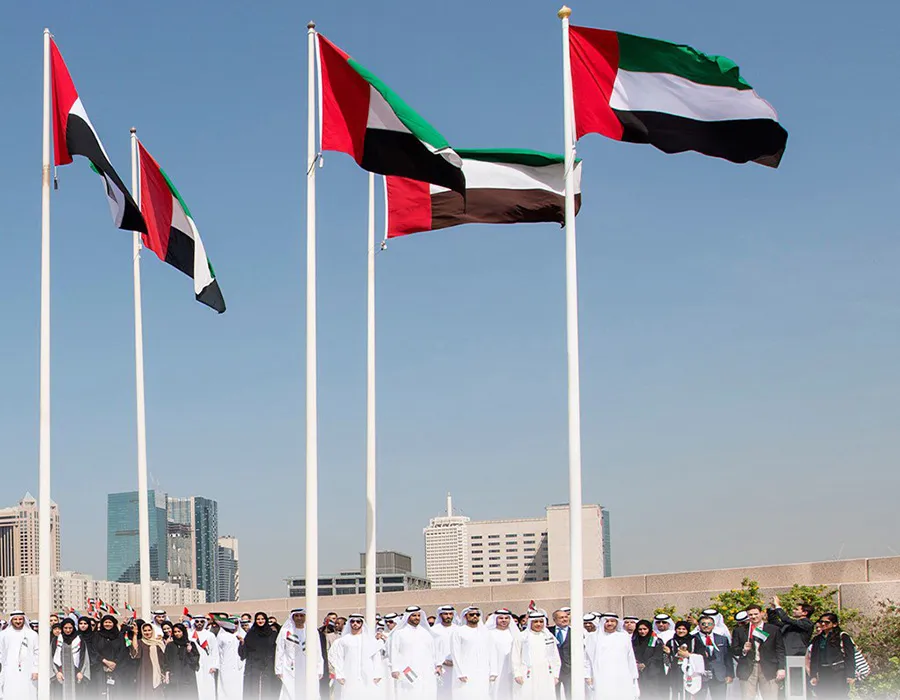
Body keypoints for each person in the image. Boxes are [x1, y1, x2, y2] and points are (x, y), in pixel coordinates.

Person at [730, 605, 785, 700]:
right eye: (750, 615)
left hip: (769, 667)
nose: (754, 617)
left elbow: (779, 650)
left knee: (770, 696)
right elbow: (734, 650)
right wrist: (743, 650)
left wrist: (781, 668)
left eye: (756, 614)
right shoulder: (739, 631)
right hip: (748, 667)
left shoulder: (773, 629)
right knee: (747, 696)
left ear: (762, 613)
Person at [389, 606, 440, 700]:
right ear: (407, 617)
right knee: (409, 694)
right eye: (413, 616)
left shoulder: (426, 633)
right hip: (407, 669)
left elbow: (433, 651)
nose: (417, 618)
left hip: (427, 670)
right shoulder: (399, 633)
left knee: (427, 693)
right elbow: (394, 652)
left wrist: (437, 665)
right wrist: (394, 669)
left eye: (418, 615)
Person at [585, 614, 639, 700]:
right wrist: (588, 675)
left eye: (612, 621)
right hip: (601, 675)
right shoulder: (593, 637)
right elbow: (587, 658)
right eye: (607, 621)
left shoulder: (624, 636)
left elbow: (630, 658)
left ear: (617, 623)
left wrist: (633, 675)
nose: (609, 623)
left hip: (622, 675)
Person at [275, 607, 323, 700]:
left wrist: (319, 668)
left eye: (301, 615)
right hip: (290, 667)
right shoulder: (285, 632)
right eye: (296, 616)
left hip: (308, 666)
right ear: (292, 617)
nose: (299, 618)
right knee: (290, 690)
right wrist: (278, 669)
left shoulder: (312, 631)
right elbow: (280, 650)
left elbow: (318, 650)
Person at [330, 614, 382, 699]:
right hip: (349, 675)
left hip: (368, 675)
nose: (355, 623)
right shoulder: (344, 640)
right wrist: (339, 674)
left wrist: (377, 674)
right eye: (352, 621)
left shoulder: (370, 640)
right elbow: (339, 658)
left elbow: (376, 658)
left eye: (358, 621)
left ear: (362, 623)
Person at [511, 610, 559, 700]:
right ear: (530, 623)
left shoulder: (549, 636)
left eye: (541, 622)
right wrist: (517, 673)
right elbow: (515, 657)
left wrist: (556, 674)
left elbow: (555, 657)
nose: (538, 624)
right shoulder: (522, 637)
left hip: (546, 673)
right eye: (535, 622)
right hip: (527, 673)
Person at [808, 613, 855, 698]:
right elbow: (814, 658)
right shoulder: (817, 639)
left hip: (838, 672)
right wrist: (813, 675)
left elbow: (850, 656)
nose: (823, 624)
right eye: (821, 621)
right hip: (823, 672)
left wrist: (850, 675)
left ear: (834, 624)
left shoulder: (842, 636)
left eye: (827, 622)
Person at [449, 607, 490, 700]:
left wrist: (491, 671)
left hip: (482, 672)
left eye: (477, 614)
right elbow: (455, 653)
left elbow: (490, 652)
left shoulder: (485, 632)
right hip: (465, 671)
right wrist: (460, 673)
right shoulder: (458, 631)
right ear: (465, 616)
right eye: (471, 614)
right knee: (465, 694)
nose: (475, 616)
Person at [0, 611, 39, 700]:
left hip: (28, 671)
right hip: (8, 670)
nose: (18, 621)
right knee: (10, 693)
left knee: (28, 693)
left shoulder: (32, 634)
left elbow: (37, 652)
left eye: (20, 619)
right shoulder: (3, 635)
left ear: (24, 619)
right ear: (11, 620)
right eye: (15, 619)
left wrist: (35, 669)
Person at [241, 612, 279, 699]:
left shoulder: (273, 634)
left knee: (268, 689)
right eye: (258, 619)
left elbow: (276, 649)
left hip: (268, 666)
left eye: (262, 619)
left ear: (265, 620)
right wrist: (242, 644)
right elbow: (245, 651)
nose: (260, 621)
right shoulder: (251, 634)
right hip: (254, 666)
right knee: (253, 689)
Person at [665, 622, 707, 700]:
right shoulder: (671, 642)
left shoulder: (694, 640)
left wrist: (689, 656)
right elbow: (667, 659)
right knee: (676, 692)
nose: (681, 631)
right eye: (679, 629)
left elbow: (702, 656)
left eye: (684, 629)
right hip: (676, 671)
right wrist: (668, 653)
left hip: (691, 671)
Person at [695, 615, 732, 700]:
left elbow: (727, 657)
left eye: (709, 623)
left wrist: (729, 674)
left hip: (719, 675)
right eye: (703, 623)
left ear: (714, 625)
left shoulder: (722, 639)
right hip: (700, 676)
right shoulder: (693, 638)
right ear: (699, 625)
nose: (706, 626)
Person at [53, 617, 90, 699]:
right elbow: (51, 657)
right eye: (65, 628)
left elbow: (84, 657)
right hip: (60, 673)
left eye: (70, 628)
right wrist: (56, 672)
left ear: (73, 628)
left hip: (76, 674)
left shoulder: (79, 640)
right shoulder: (56, 639)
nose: (68, 630)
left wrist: (81, 672)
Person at [129, 621, 168, 697]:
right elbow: (135, 653)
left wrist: (165, 672)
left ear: (152, 631)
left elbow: (164, 658)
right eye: (145, 630)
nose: (147, 632)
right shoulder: (140, 642)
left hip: (158, 672)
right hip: (144, 672)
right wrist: (135, 634)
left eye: (149, 630)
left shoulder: (159, 643)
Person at [486, 609, 518, 700]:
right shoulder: (489, 633)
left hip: (511, 668)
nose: (504, 620)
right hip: (494, 668)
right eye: (500, 618)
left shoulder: (514, 633)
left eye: (506, 618)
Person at [93, 614, 126, 698]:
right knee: (101, 692)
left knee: (116, 692)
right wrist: (105, 661)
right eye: (106, 622)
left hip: (117, 668)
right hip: (101, 667)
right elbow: (94, 650)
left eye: (110, 622)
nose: (107, 624)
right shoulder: (97, 635)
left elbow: (122, 650)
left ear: (114, 623)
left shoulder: (119, 636)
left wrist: (114, 663)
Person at [166, 623, 201, 698]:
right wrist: (167, 672)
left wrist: (189, 651)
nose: (177, 633)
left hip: (187, 675)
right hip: (175, 674)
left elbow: (195, 660)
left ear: (183, 632)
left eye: (179, 631)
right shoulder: (170, 645)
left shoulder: (190, 644)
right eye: (175, 632)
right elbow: (167, 659)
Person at [631, 620, 664, 700]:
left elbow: (657, 655)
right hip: (638, 672)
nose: (642, 631)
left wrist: (645, 664)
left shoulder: (656, 641)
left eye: (645, 629)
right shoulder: (633, 641)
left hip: (652, 672)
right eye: (640, 629)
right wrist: (636, 663)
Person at [190, 616, 220, 700]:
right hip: (195, 662)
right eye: (197, 621)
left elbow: (215, 650)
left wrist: (214, 665)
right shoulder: (190, 634)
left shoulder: (210, 635)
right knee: (198, 682)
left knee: (209, 683)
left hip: (208, 661)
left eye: (201, 622)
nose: (199, 623)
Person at [214, 617, 244, 700]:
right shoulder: (221, 636)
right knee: (226, 686)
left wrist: (242, 642)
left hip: (240, 667)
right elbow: (217, 652)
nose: (234, 625)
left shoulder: (243, 635)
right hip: (226, 666)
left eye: (235, 623)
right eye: (231, 623)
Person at [432, 606, 456, 698]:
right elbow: (432, 649)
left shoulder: (458, 629)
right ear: (441, 615)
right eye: (446, 614)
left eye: (450, 614)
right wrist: (442, 662)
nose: (448, 616)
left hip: (456, 666)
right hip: (440, 667)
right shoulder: (434, 630)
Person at [547, 610, 571, 700]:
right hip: (552, 670)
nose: (564, 619)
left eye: (566, 617)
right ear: (554, 619)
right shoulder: (547, 632)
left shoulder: (575, 632)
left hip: (569, 671)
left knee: (569, 694)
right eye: (561, 617)